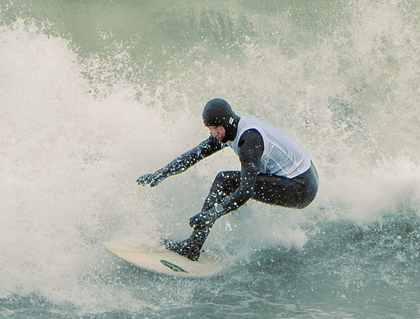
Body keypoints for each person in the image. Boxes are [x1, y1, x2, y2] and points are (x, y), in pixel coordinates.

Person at [135, 97, 318, 260]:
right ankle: (232, 244)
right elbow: (193, 156)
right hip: (304, 174)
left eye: (216, 128)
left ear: (226, 123)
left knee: (226, 181)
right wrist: (161, 173)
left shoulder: (249, 141)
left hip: (301, 187)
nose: (214, 133)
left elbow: (247, 190)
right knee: (233, 187)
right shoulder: (230, 130)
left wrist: (212, 214)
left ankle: (192, 247)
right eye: (210, 129)